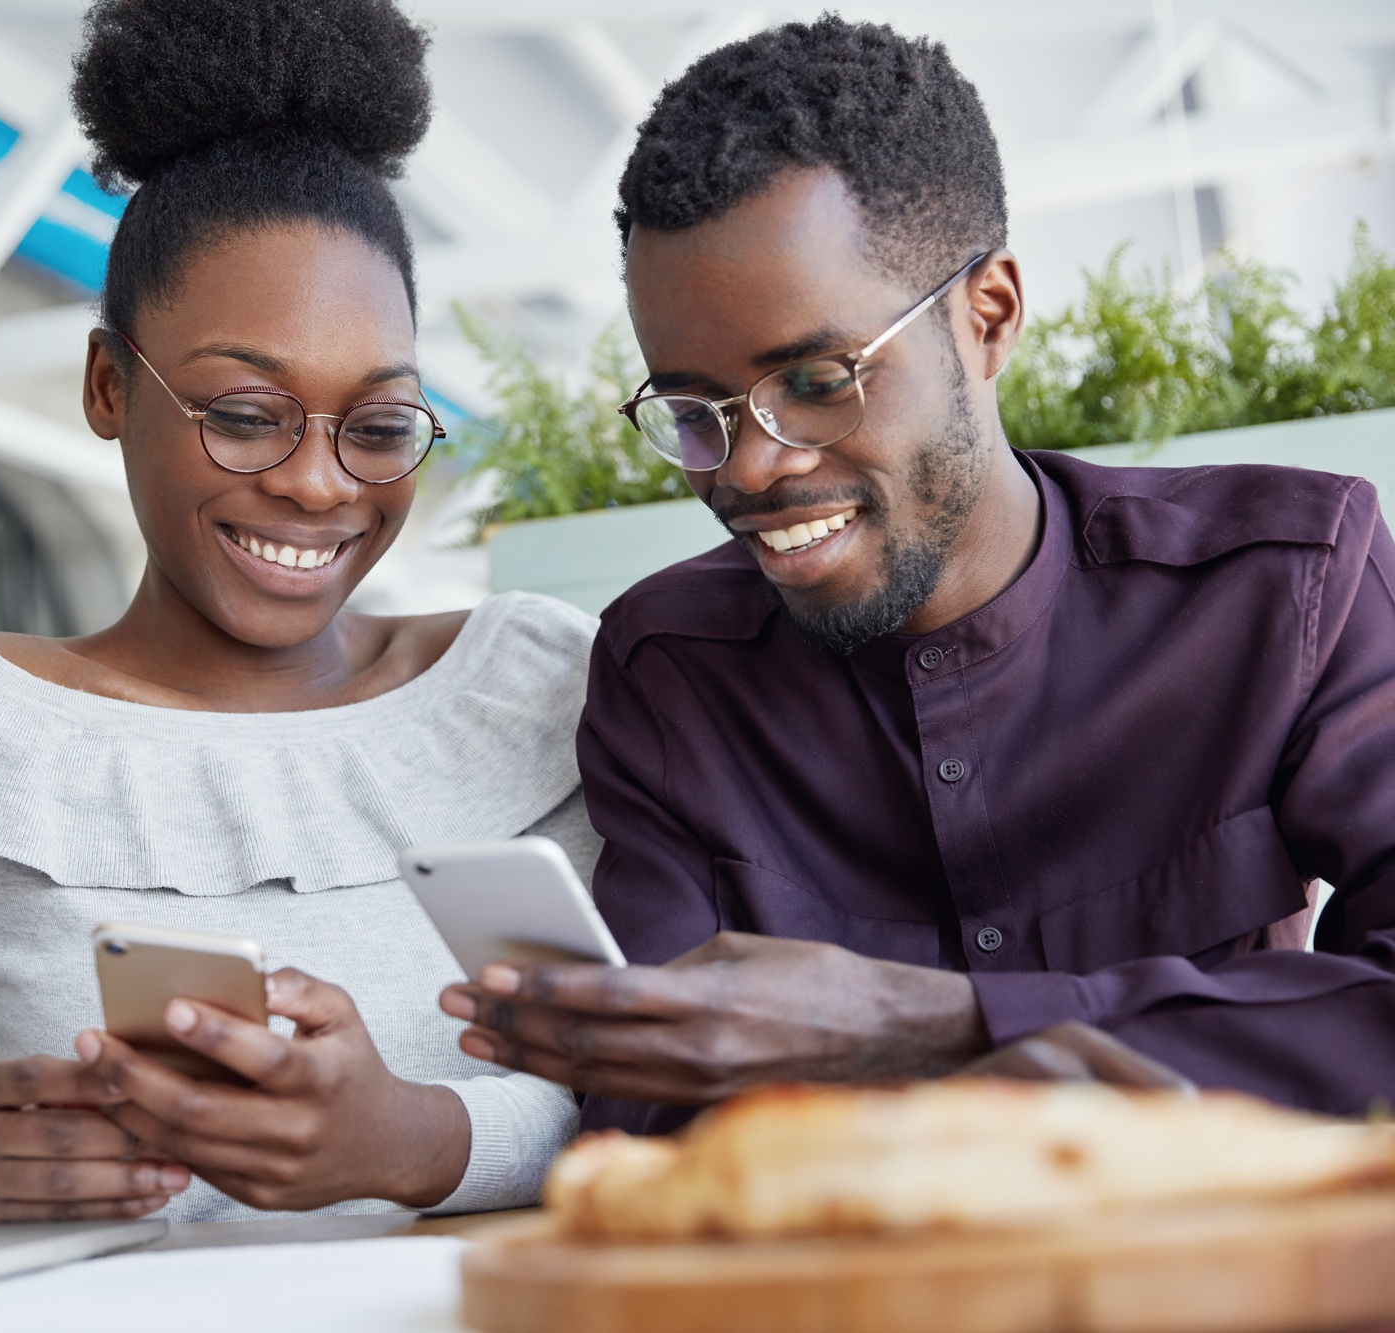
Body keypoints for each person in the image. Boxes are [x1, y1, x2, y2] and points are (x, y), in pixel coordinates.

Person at [441, 15, 1395, 1134]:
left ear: (986, 315)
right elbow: (646, 1117)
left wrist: (940, 1023)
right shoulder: (670, 676)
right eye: (692, 410)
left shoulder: (1282, 582)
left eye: (811, 377)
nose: (748, 467)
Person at [0, 0, 594, 1226]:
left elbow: (673, 1096)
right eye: (246, 414)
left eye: (375, 427)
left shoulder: (533, 689)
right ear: (112, 386)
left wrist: (416, 1138)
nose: (317, 484)